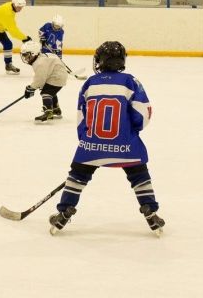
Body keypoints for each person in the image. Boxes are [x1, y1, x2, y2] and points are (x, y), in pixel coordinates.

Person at [48, 41, 165, 236]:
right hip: (126, 145)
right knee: (139, 176)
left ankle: (63, 213)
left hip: (91, 144)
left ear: (99, 61)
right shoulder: (130, 82)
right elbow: (142, 115)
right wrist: (130, 133)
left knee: (77, 175)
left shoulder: (89, 83)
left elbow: (81, 118)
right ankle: (150, 212)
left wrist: (88, 142)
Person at [20, 41, 68, 122]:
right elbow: (41, 79)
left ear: (33, 53)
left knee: (46, 93)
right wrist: (33, 88)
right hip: (57, 75)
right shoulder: (40, 58)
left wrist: (31, 88)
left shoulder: (39, 63)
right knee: (49, 90)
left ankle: (48, 112)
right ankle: (56, 110)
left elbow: (40, 79)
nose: (24, 57)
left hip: (57, 77)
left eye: (26, 55)